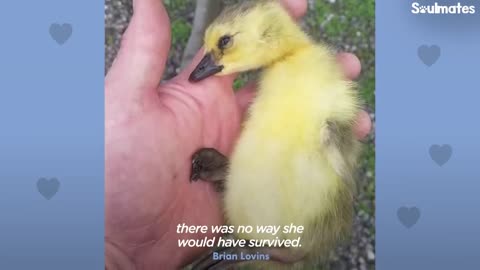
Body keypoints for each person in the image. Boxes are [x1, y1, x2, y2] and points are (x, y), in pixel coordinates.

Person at [105, 0, 372, 269]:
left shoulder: (312, 78)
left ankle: (278, 251)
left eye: (224, 43)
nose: (208, 63)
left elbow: (333, 164)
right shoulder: (308, 75)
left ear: (268, 29)